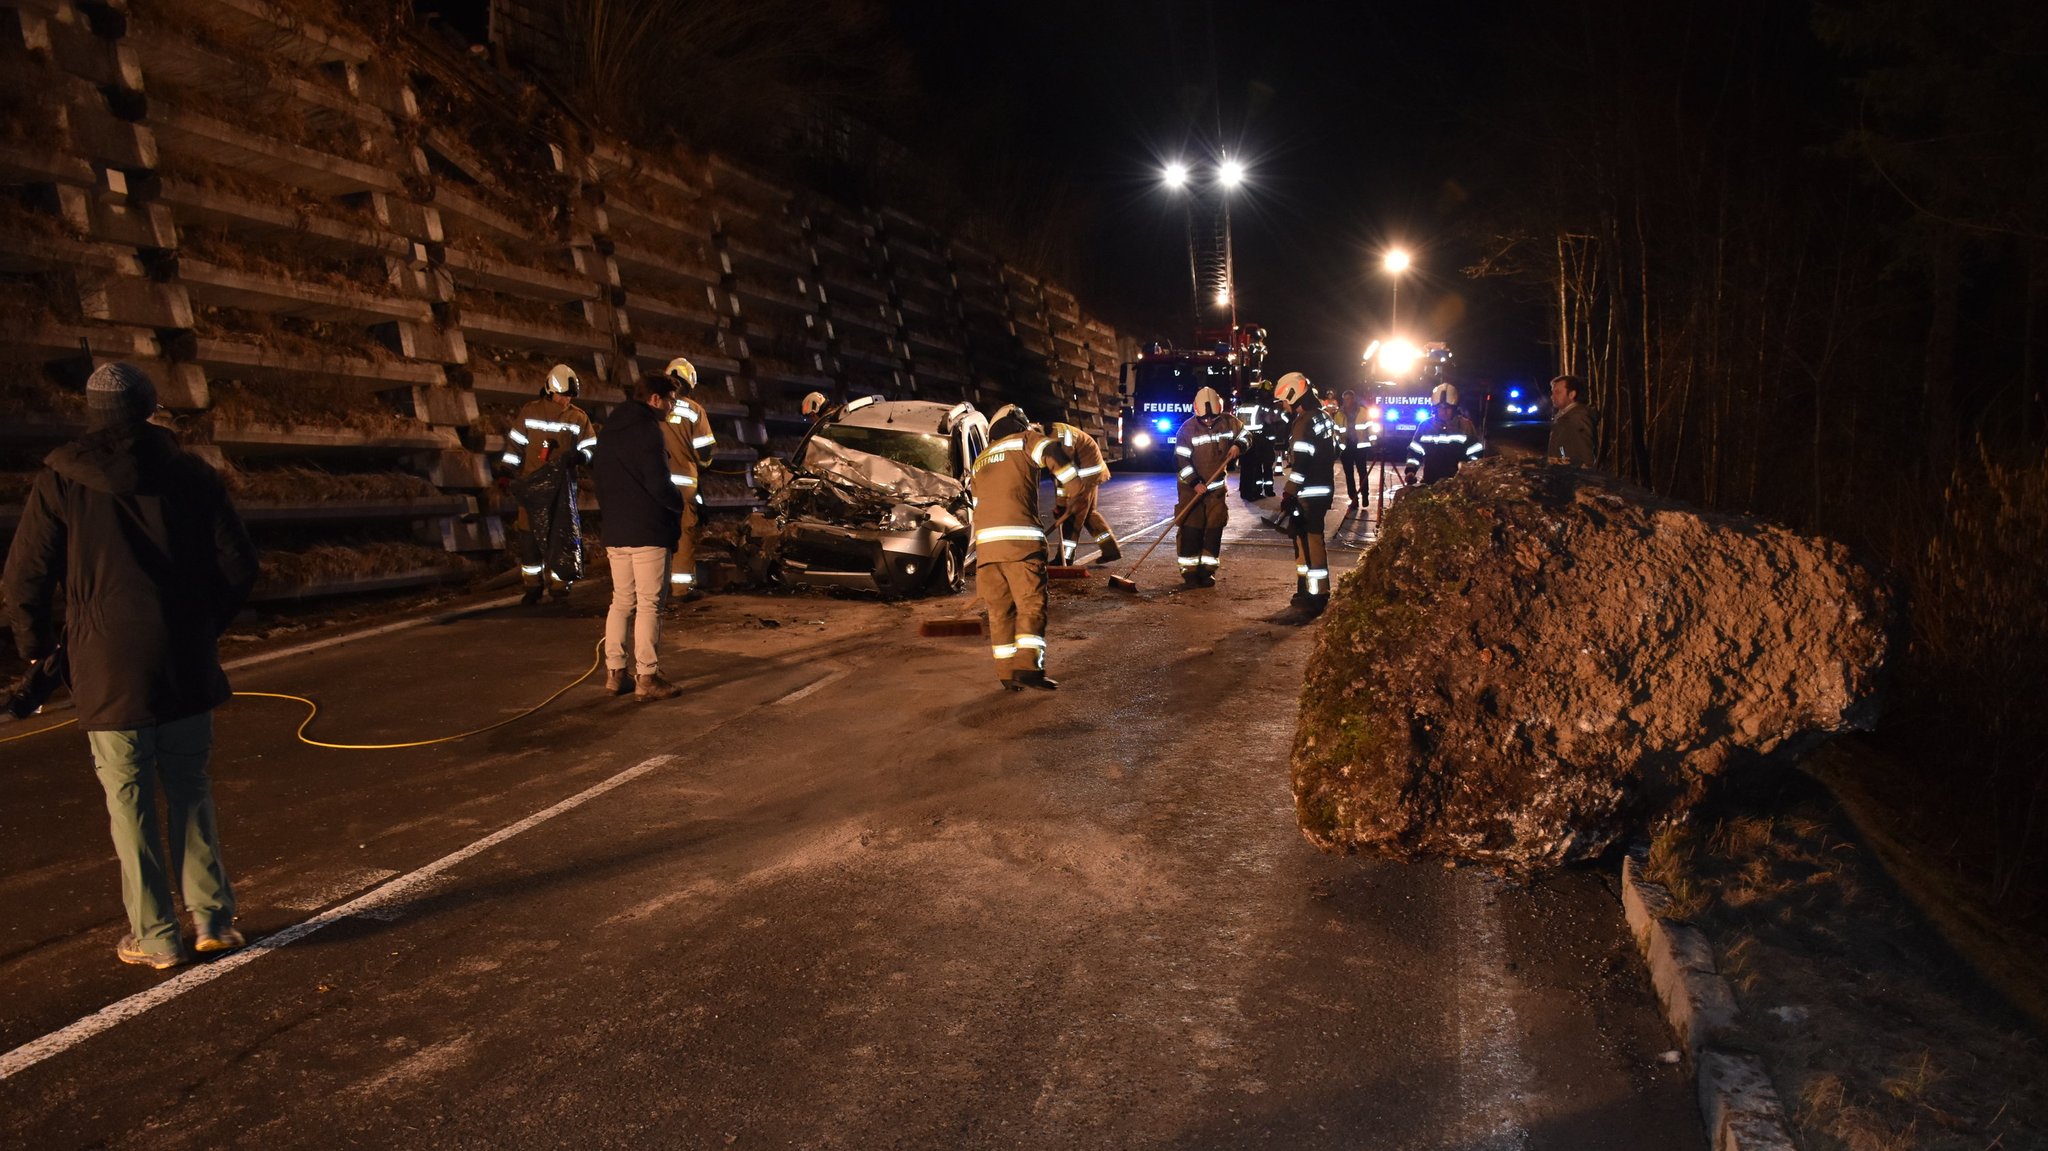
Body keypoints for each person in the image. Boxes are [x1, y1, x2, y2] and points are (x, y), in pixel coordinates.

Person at [2, 363, 260, 969]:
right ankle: (214, 921)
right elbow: (239, 565)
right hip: (182, 657)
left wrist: (35, 647)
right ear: (149, 408)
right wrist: (202, 626)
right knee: (191, 788)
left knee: (129, 800)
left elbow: (24, 579)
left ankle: (157, 936)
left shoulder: (61, 479)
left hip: (105, 661)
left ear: (92, 413)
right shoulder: (191, 474)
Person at [593, 372, 686, 701]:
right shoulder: (648, 430)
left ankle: (615, 674)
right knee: (649, 606)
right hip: (647, 530)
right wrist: (678, 502)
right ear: (655, 399)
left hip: (615, 531)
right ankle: (647, 677)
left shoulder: (609, 431)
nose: (672, 407)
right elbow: (659, 484)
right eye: (670, 400)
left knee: (621, 602)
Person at [971, 404, 1076, 691]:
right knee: (1030, 605)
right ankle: (1029, 666)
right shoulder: (1025, 440)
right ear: (1020, 423)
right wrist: (1071, 493)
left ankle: (1007, 674)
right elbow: (1053, 453)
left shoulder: (981, 459)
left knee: (1000, 612)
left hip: (987, 551)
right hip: (1020, 546)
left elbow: (977, 507)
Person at [500, 363, 596, 603]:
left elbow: (591, 447)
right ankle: (532, 586)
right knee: (529, 538)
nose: (566, 400)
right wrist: (506, 470)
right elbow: (515, 444)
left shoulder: (578, 417)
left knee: (560, 535)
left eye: (570, 396)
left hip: (562, 490)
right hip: (532, 487)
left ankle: (560, 584)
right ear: (551, 390)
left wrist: (581, 456)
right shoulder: (530, 412)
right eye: (563, 395)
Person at [1275, 371, 1340, 621]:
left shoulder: (1304, 422)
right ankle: (1306, 591)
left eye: (1284, 400)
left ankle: (1316, 595)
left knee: (1310, 543)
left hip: (1308, 494)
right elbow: (1335, 450)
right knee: (1305, 541)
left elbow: (1300, 464)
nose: (1283, 406)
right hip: (1321, 489)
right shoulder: (1323, 417)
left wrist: (1289, 493)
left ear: (1293, 395)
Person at [1171, 387, 1246, 586]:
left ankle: (1207, 571)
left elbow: (1246, 435)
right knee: (1191, 528)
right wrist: (1195, 483)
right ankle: (1189, 572)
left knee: (1214, 529)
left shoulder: (1229, 422)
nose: (1209, 421)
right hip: (1191, 490)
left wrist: (1239, 445)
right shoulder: (1186, 430)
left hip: (1216, 490)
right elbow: (1181, 462)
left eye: (1212, 417)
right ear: (1197, 412)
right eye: (1205, 418)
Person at [659, 357, 717, 606]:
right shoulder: (693, 410)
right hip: (683, 483)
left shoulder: (653, 405)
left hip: (653, 482)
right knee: (683, 533)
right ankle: (681, 589)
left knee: (654, 534)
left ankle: (654, 587)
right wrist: (700, 468)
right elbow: (705, 451)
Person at [1049, 419, 1120, 565]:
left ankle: (1064, 559)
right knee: (1088, 514)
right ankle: (1110, 551)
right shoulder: (1054, 434)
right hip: (1089, 472)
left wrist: (1062, 505)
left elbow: (1066, 474)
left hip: (1086, 476)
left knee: (1072, 518)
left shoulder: (1060, 438)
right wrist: (1061, 504)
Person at [1404, 382, 1484, 485]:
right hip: (1430, 483)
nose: (1444, 411)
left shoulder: (1465, 426)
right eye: (1440, 408)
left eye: (1448, 408)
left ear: (1455, 408)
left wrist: (1469, 472)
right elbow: (1415, 451)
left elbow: (1475, 454)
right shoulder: (1425, 426)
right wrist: (1411, 471)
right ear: (1434, 409)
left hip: (1458, 485)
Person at [1234, 377, 1279, 500]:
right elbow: (1270, 420)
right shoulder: (1257, 408)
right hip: (1257, 439)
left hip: (1242, 439)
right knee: (1256, 467)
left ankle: (1246, 491)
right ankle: (1256, 492)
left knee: (1245, 468)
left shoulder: (1240, 408)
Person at [1547, 374, 1596, 467]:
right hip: (1563, 473)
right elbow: (1562, 448)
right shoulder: (1564, 416)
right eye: (1552, 392)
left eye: (1557, 392)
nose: (1552, 397)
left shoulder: (1578, 417)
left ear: (1572, 394)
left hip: (1571, 476)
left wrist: (1582, 475)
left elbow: (1585, 455)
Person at [1338, 388, 1367, 502]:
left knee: (1362, 472)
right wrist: (1339, 446)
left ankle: (1365, 495)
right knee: (1349, 474)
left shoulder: (1363, 412)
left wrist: (1374, 444)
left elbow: (1370, 428)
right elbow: (1336, 431)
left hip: (1360, 446)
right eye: (1345, 399)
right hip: (1346, 447)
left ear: (1354, 399)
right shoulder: (1339, 414)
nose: (1347, 401)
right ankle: (1353, 498)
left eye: (1349, 399)